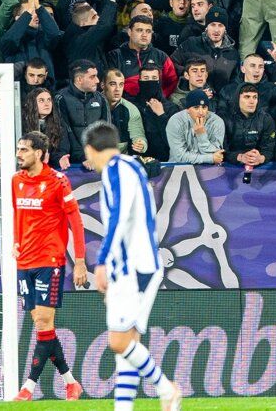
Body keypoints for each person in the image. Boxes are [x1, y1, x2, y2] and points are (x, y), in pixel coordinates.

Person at [80, 121, 181, 411]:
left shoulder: (115, 170)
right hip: (138, 264)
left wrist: (101, 262)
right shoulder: (132, 165)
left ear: (90, 149)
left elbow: (119, 217)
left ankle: (166, 388)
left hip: (134, 266)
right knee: (128, 345)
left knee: (118, 341)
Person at [11, 130, 90, 401]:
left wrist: (79, 261)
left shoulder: (58, 182)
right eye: (19, 149)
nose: (19, 154)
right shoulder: (16, 181)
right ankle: (71, 382)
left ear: (40, 154)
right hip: (25, 262)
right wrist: (15, 241)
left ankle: (28, 387)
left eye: (24, 150)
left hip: (49, 260)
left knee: (44, 322)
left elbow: (76, 222)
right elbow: (18, 216)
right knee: (42, 327)